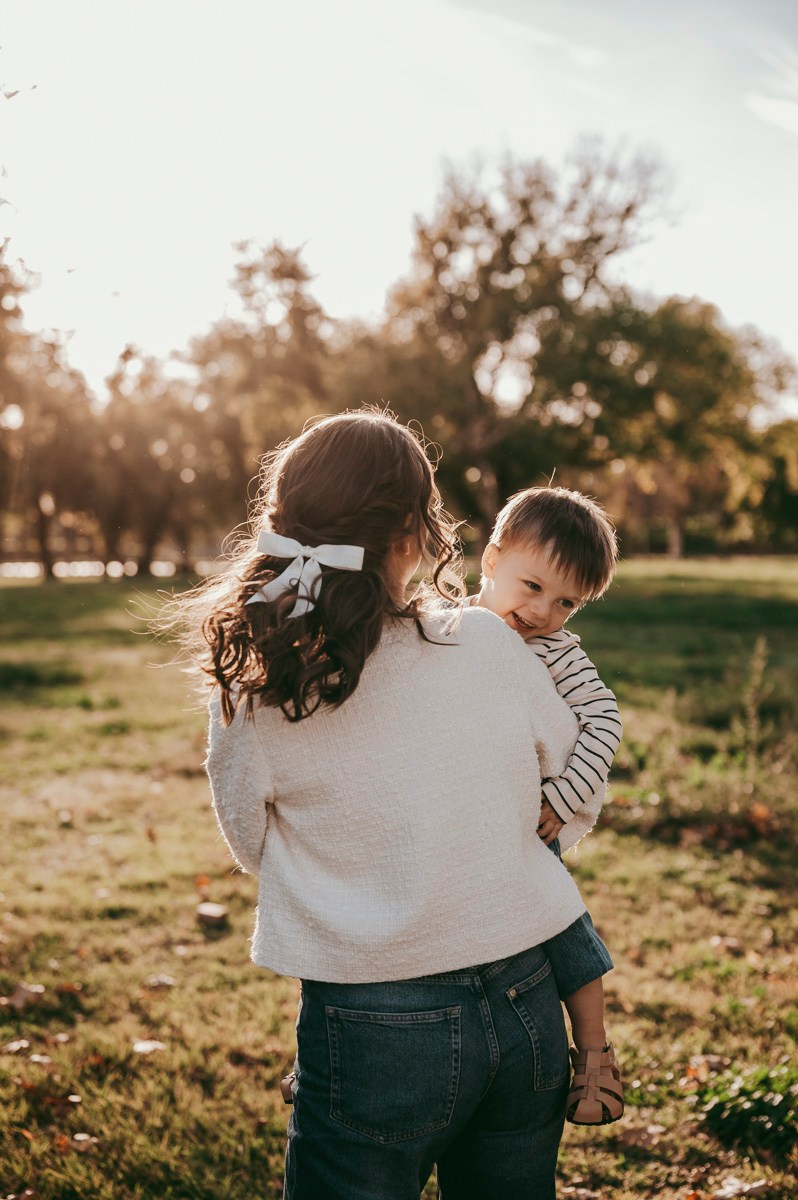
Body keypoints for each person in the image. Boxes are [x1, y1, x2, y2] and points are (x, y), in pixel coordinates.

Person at [184, 409, 607, 1200]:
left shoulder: (261, 685)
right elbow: (565, 800)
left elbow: (250, 845)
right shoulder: (486, 643)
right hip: (526, 1005)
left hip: (373, 1022)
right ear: (416, 533)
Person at [474, 486, 625, 1126]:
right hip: (458, 807)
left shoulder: (559, 654)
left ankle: (593, 1053)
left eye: (566, 602)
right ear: (491, 559)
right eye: (531, 586)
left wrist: (563, 798)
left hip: (533, 820)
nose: (543, 612)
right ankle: (319, 1052)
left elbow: (604, 718)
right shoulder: (448, 626)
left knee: (563, 925)